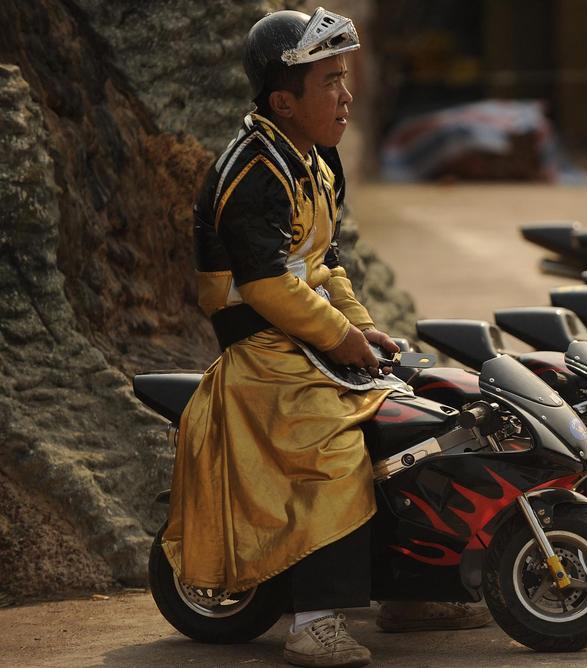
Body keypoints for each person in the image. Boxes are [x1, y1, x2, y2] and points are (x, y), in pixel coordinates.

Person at [163, 8, 488, 668]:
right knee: (334, 457)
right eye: (330, 82)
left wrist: (363, 325)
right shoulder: (253, 174)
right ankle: (312, 623)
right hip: (263, 354)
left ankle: (406, 588)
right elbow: (267, 286)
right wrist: (342, 336)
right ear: (284, 101)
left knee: (410, 430)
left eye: (345, 78)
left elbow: (324, 264)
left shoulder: (315, 159)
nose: (346, 95)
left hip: (304, 339)